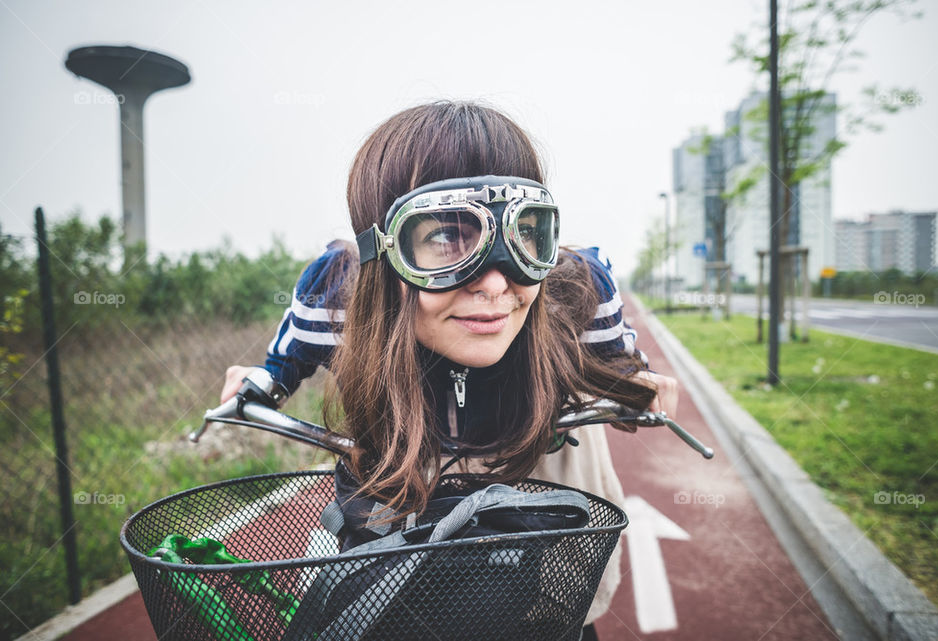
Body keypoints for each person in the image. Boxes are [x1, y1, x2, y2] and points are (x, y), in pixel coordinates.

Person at [220, 101, 679, 639]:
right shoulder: (333, 295)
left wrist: (635, 386)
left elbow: (621, 364)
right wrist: (259, 382)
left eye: (524, 234)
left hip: (545, 472)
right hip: (401, 470)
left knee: (558, 620)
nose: (494, 284)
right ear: (381, 250)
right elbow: (281, 364)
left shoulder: (578, 291)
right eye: (444, 236)